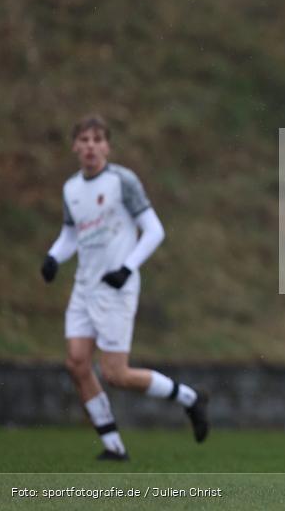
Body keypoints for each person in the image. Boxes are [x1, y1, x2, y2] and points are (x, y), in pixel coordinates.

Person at [41, 115, 209, 461]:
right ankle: (113, 447)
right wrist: (54, 257)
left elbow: (154, 230)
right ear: (74, 146)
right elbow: (71, 234)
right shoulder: (71, 188)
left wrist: (126, 268)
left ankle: (190, 398)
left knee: (115, 374)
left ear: (107, 146)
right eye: (84, 139)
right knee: (76, 363)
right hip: (84, 287)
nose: (90, 146)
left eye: (97, 139)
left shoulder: (122, 181)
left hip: (116, 289)